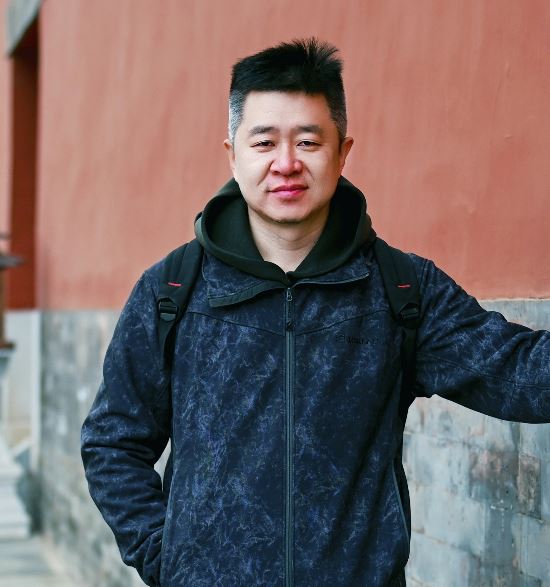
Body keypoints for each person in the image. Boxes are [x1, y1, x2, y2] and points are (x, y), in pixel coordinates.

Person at [81, 38, 550, 587]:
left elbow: (521, 374)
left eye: (308, 141)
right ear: (232, 153)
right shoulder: (174, 291)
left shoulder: (399, 289)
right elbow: (113, 442)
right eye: (264, 142)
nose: (286, 164)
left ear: (342, 152)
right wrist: (169, 560)